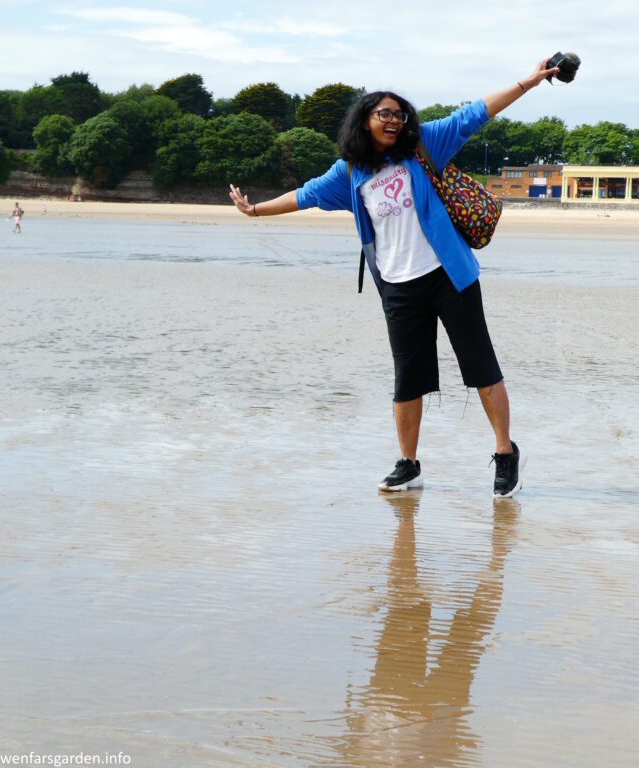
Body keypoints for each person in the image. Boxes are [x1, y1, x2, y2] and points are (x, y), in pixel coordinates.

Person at [229, 58, 559, 497]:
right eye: (383, 113)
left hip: (450, 278)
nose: (393, 120)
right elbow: (304, 195)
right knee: (408, 378)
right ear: (364, 121)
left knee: (481, 366)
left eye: (398, 114)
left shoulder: (424, 146)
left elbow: (476, 113)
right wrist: (255, 211)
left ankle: (505, 453)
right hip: (399, 288)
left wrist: (529, 82)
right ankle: (408, 464)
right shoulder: (350, 173)